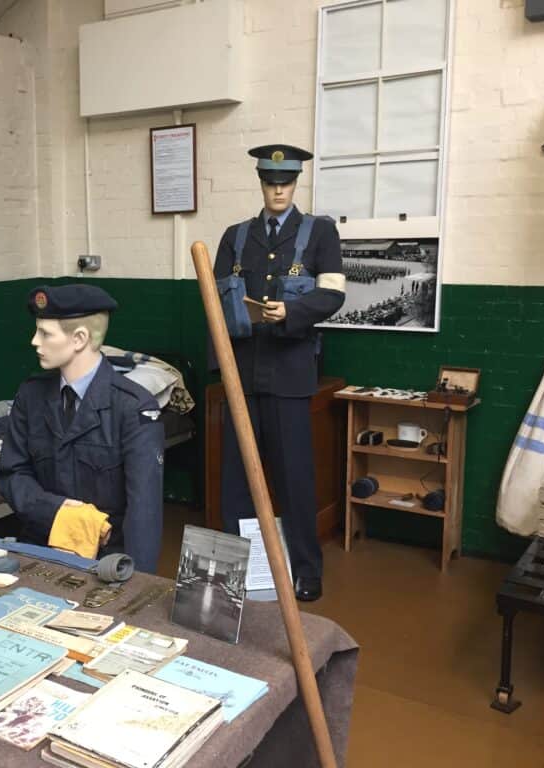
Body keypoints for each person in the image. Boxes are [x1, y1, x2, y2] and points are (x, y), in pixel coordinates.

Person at [212, 143, 345, 601]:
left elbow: (332, 295)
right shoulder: (236, 236)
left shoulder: (320, 233)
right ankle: (237, 571)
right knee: (236, 480)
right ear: (261, 184)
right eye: (271, 183)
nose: (278, 191)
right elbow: (216, 299)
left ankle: (306, 570)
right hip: (242, 374)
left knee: (294, 478)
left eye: (285, 182)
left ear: (296, 183)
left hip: (289, 374)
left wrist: (291, 311)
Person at [0, 284, 165, 573]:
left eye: (45, 333)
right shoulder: (31, 396)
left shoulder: (132, 407)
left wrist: (136, 584)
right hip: (41, 550)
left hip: (107, 562)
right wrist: (62, 514)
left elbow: (143, 513)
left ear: (79, 339)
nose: (34, 341)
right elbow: (12, 474)